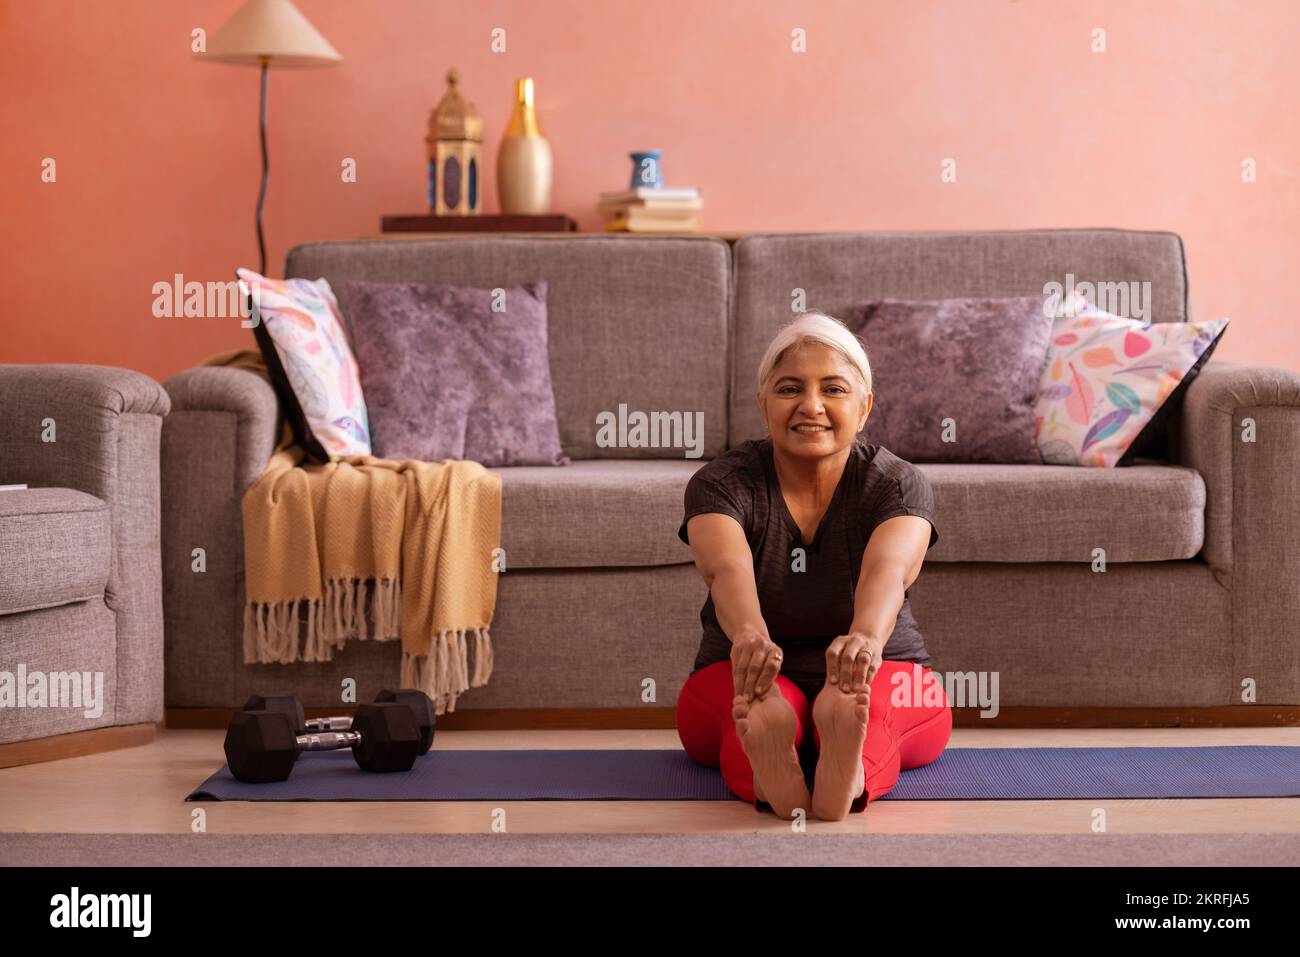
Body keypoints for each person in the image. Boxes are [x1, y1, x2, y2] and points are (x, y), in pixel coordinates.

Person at [675, 311, 952, 820]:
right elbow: (726, 569)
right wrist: (752, 642)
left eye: (834, 389)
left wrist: (865, 640)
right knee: (747, 711)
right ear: (762, 403)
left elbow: (889, 569)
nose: (811, 406)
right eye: (789, 389)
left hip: (878, 670)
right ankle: (791, 765)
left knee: (876, 710)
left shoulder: (896, 483)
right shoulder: (721, 484)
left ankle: (834, 769)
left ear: (865, 406)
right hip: (741, 671)